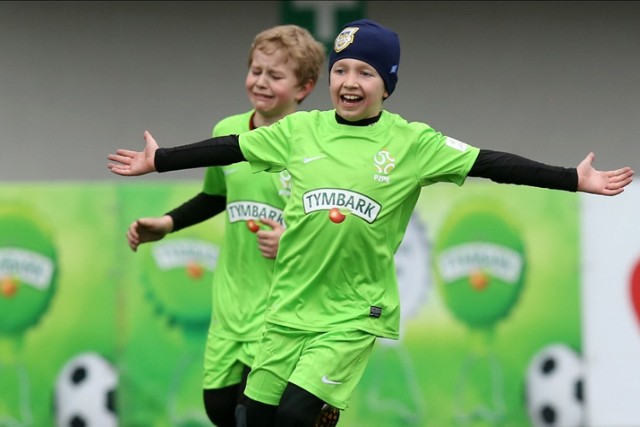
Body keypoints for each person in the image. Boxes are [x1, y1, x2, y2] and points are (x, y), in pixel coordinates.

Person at [108, 19, 634, 427]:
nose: (350, 82)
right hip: (288, 307)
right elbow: (230, 147)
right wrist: (161, 160)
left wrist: (573, 178)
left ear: (388, 85)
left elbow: (490, 163)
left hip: (353, 312)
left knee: (292, 418)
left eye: (365, 72)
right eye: (342, 70)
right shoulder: (300, 132)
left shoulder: (413, 144)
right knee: (251, 419)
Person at [122, 25, 334, 427]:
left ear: (304, 87)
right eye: (256, 70)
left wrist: (295, 239)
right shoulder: (227, 132)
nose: (261, 82)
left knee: (250, 415)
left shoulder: (315, 144)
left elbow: (335, 218)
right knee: (219, 410)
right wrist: (168, 223)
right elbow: (217, 195)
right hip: (231, 305)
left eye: (276, 75)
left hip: (283, 308)